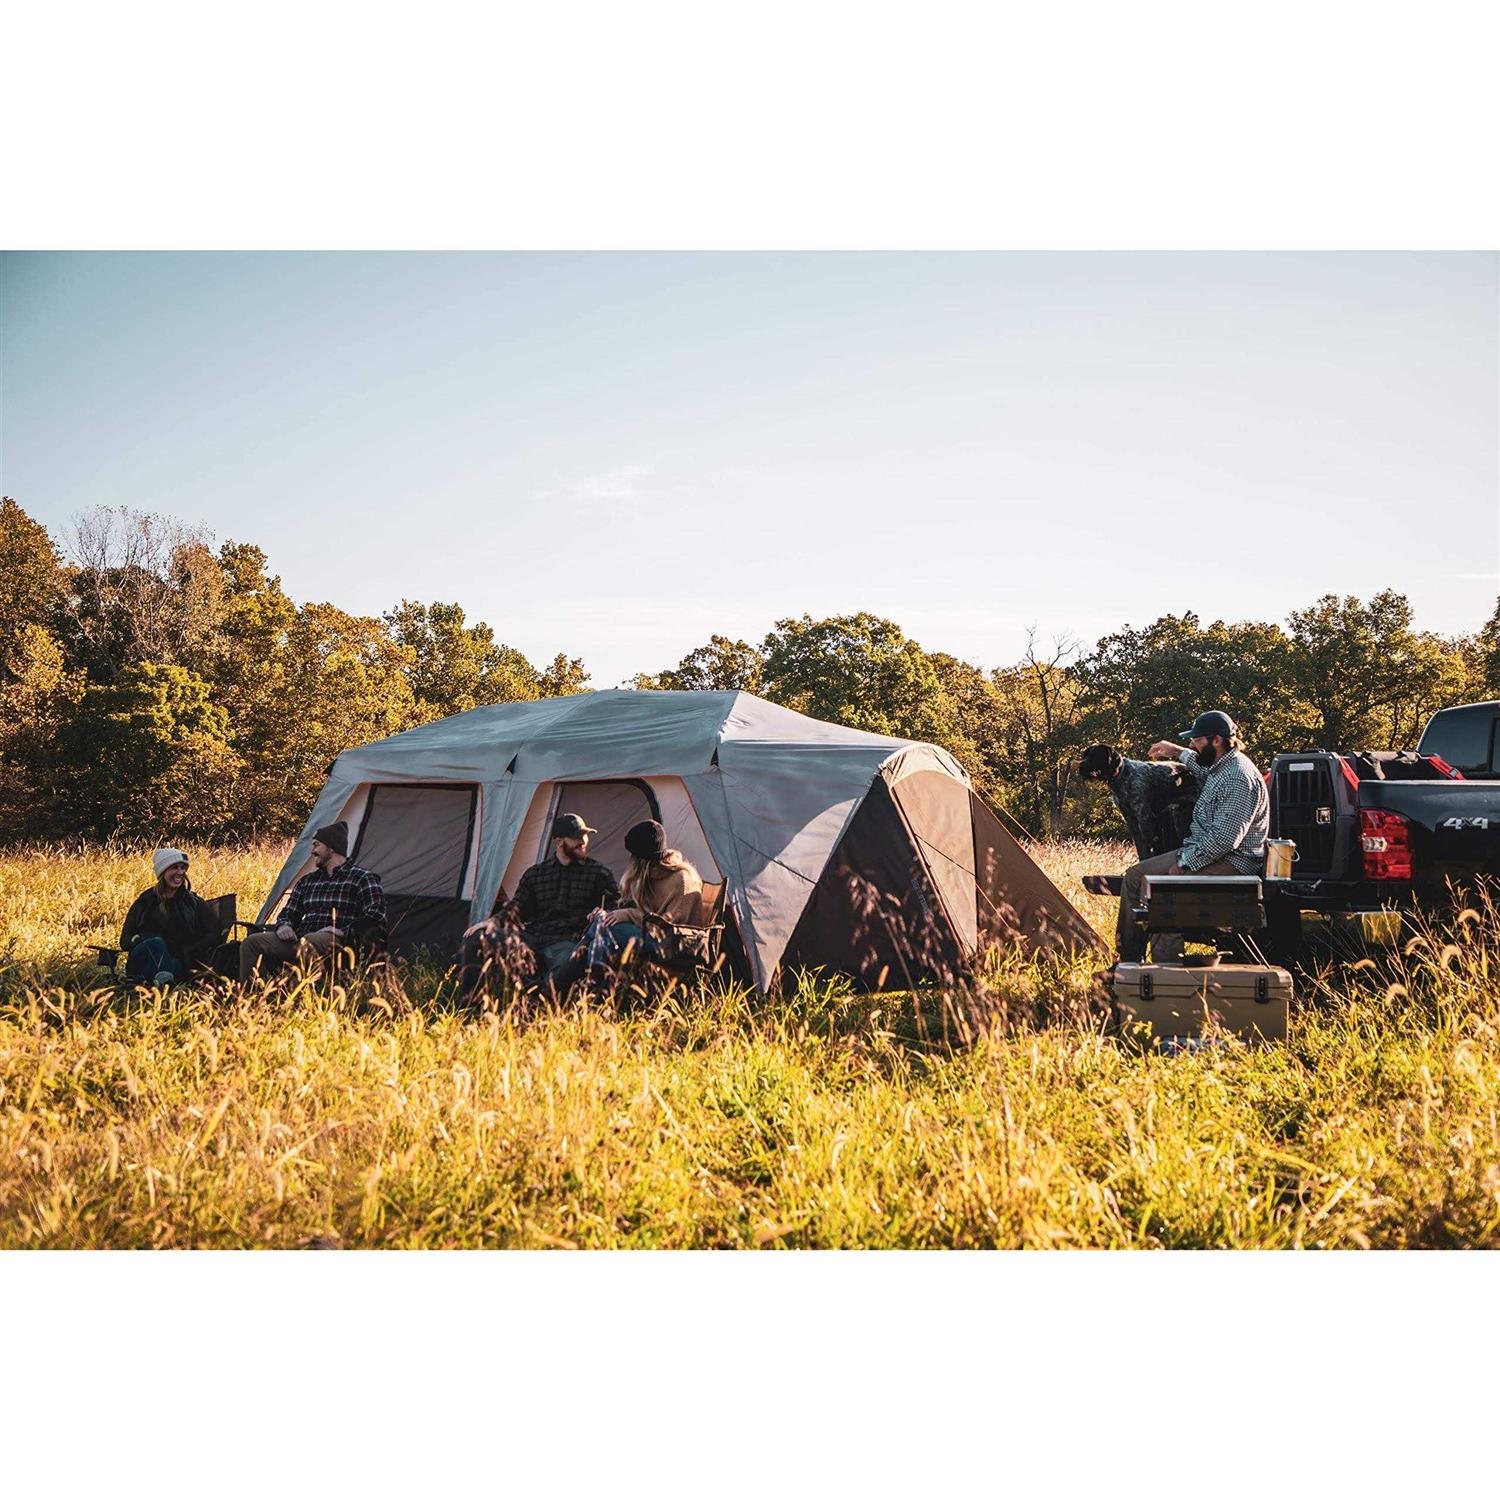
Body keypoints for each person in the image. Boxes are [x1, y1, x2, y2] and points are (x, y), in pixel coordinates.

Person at [1115, 709, 1270, 964]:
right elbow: (1198, 765)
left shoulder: (1239, 777)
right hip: (1204, 853)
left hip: (1232, 862)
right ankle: (1128, 962)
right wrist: (1174, 751)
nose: (1192, 744)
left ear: (1216, 741)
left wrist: (1185, 863)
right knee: (1134, 877)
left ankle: (1166, 970)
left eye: (1196, 740)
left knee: (1164, 891)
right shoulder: (1220, 765)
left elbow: (1224, 840)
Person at [456, 813, 620, 1000]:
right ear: (559, 842)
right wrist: (492, 922)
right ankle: (470, 1004)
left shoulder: (598, 873)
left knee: (568, 965)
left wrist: (603, 912)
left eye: (585, 835)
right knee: (477, 939)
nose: (583, 841)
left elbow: (615, 905)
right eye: (576, 837)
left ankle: (538, 999)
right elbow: (516, 908)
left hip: (567, 941)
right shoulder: (536, 874)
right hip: (533, 938)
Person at [553, 820, 704, 990]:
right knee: (602, 937)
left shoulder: (681, 880)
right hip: (654, 937)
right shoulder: (652, 875)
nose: (630, 860)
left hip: (674, 946)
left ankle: (557, 985)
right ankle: (595, 996)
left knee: (603, 927)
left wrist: (627, 915)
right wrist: (611, 914)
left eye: (633, 855)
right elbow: (643, 911)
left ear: (641, 857)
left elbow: (670, 927)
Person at [239, 821, 387, 982]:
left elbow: (376, 914)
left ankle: (297, 998)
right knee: (251, 943)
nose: (312, 851)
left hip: (339, 941)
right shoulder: (307, 881)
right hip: (301, 939)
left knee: (310, 942)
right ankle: (251, 999)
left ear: (331, 848)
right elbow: (289, 912)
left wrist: (344, 930)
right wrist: (284, 925)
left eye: (316, 845)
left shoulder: (362, 878)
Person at [119, 848, 219, 985]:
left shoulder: (193, 902)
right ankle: (159, 981)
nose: (180, 872)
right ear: (162, 872)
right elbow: (124, 941)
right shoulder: (145, 902)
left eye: (183, 868)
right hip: (143, 958)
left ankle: (146, 981)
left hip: (177, 960)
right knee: (157, 943)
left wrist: (190, 950)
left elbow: (213, 933)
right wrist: (146, 939)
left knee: (172, 967)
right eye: (174, 868)